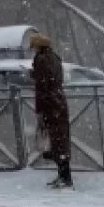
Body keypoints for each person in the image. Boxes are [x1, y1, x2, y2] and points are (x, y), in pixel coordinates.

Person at [30, 34, 72, 189]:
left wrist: (40, 109)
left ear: (37, 46)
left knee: (56, 142)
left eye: (33, 46)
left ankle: (65, 178)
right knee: (60, 141)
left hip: (51, 105)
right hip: (58, 102)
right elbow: (53, 78)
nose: (33, 49)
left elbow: (43, 85)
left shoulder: (41, 59)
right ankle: (64, 176)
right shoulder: (54, 57)